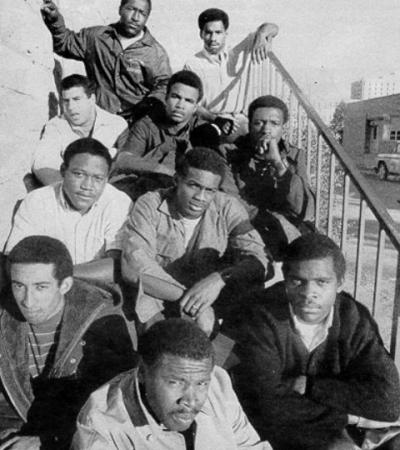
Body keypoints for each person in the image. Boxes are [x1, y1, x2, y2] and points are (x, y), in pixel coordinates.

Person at [235, 233, 400, 450]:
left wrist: (311, 386)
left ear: (339, 283)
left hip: (343, 429)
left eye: (321, 282)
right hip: (282, 433)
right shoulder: (261, 315)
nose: (308, 293)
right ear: (285, 278)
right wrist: (348, 417)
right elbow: (268, 404)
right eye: (297, 281)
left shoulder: (354, 317)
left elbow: (389, 400)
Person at [0, 236, 137, 449]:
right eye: (19, 286)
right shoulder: (3, 318)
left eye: (41, 287)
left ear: (65, 285)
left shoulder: (103, 323)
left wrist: (47, 440)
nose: (27, 301)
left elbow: (115, 411)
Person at [121, 147, 271, 331]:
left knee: (251, 286)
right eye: (193, 186)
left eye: (209, 190)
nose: (200, 197)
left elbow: (258, 257)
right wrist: (192, 299)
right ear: (177, 180)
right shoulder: (150, 204)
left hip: (210, 300)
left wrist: (220, 279)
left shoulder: (227, 206)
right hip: (161, 299)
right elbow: (136, 263)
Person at [72, 318, 271, 449]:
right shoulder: (102, 424)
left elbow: (249, 446)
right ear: (142, 372)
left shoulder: (218, 382)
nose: (190, 400)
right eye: (175, 382)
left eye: (201, 384)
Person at [5, 138, 131, 283]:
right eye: (79, 174)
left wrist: (56, 274)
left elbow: (116, 266)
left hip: (98, 288)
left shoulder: (118, 202)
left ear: (107, 178)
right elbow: (18, 259)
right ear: (63, 171)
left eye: (98, 178)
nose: (87, 186)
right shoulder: (37, 201)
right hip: (45, 288)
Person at [41, 0, 171, 123]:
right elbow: (65, 43)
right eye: (131, 9)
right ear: (120, 9)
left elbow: (165, 84)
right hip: (98, 119)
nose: (136, 18)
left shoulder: (155, 52)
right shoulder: (96, 37)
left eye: (142, 13)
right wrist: (55, 20)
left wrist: (148, 104)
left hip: (134, 123)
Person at [227, 95, 315, 259]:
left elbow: (303, 208)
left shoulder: (295, 155)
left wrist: (277, 163)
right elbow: (231, 201)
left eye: (274, 123)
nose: (266, 130)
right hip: (248, 227)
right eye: (259, 122)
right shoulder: (230, 153)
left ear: (283, 127)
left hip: (287, 229)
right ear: (250, 125)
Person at [184, 8, 279, 135]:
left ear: (226, 33)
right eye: (208, 32)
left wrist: (261, 35)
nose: (213, 38)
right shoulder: (193, 64)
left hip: (240, 120)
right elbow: (192, 104)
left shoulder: (238, 51)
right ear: (201, 33)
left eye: (218, 32)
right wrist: (216, 119)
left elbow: (273, 27)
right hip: (209, 121)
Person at [111, 70, 203, 199]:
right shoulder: (147, 125)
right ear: (166, 98)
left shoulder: (200, 132)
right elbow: (124, 159)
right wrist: (163, 170)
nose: (180, 105)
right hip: (144, 191)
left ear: (195, 107)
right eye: (175, 97)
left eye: (188, 101)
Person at [32, 74, 128, 186]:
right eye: (66, 101)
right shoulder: (56, 126)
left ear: (92, 99)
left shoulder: (117, 124)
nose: (71, 107)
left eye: (77, 99)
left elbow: (125, 163)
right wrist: (71, 190)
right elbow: (42, 164)